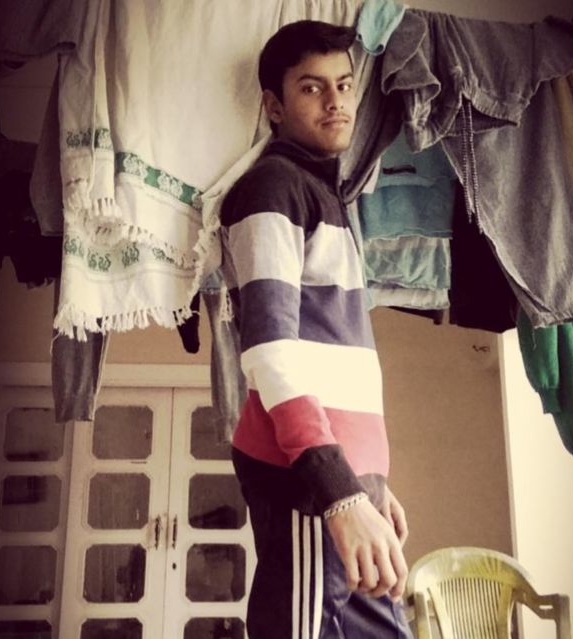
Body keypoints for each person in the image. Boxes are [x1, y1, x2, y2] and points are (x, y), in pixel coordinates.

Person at [220, 20, 412, 639]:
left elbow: (333, 356)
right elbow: (272, 353)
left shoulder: (330, 198)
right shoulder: (272, 189)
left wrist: (371, 481)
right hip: (306, 478)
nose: (335, 101)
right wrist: (340, 492)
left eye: (344, 85)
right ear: (274, 107)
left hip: (344, 478)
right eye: (311, 87)